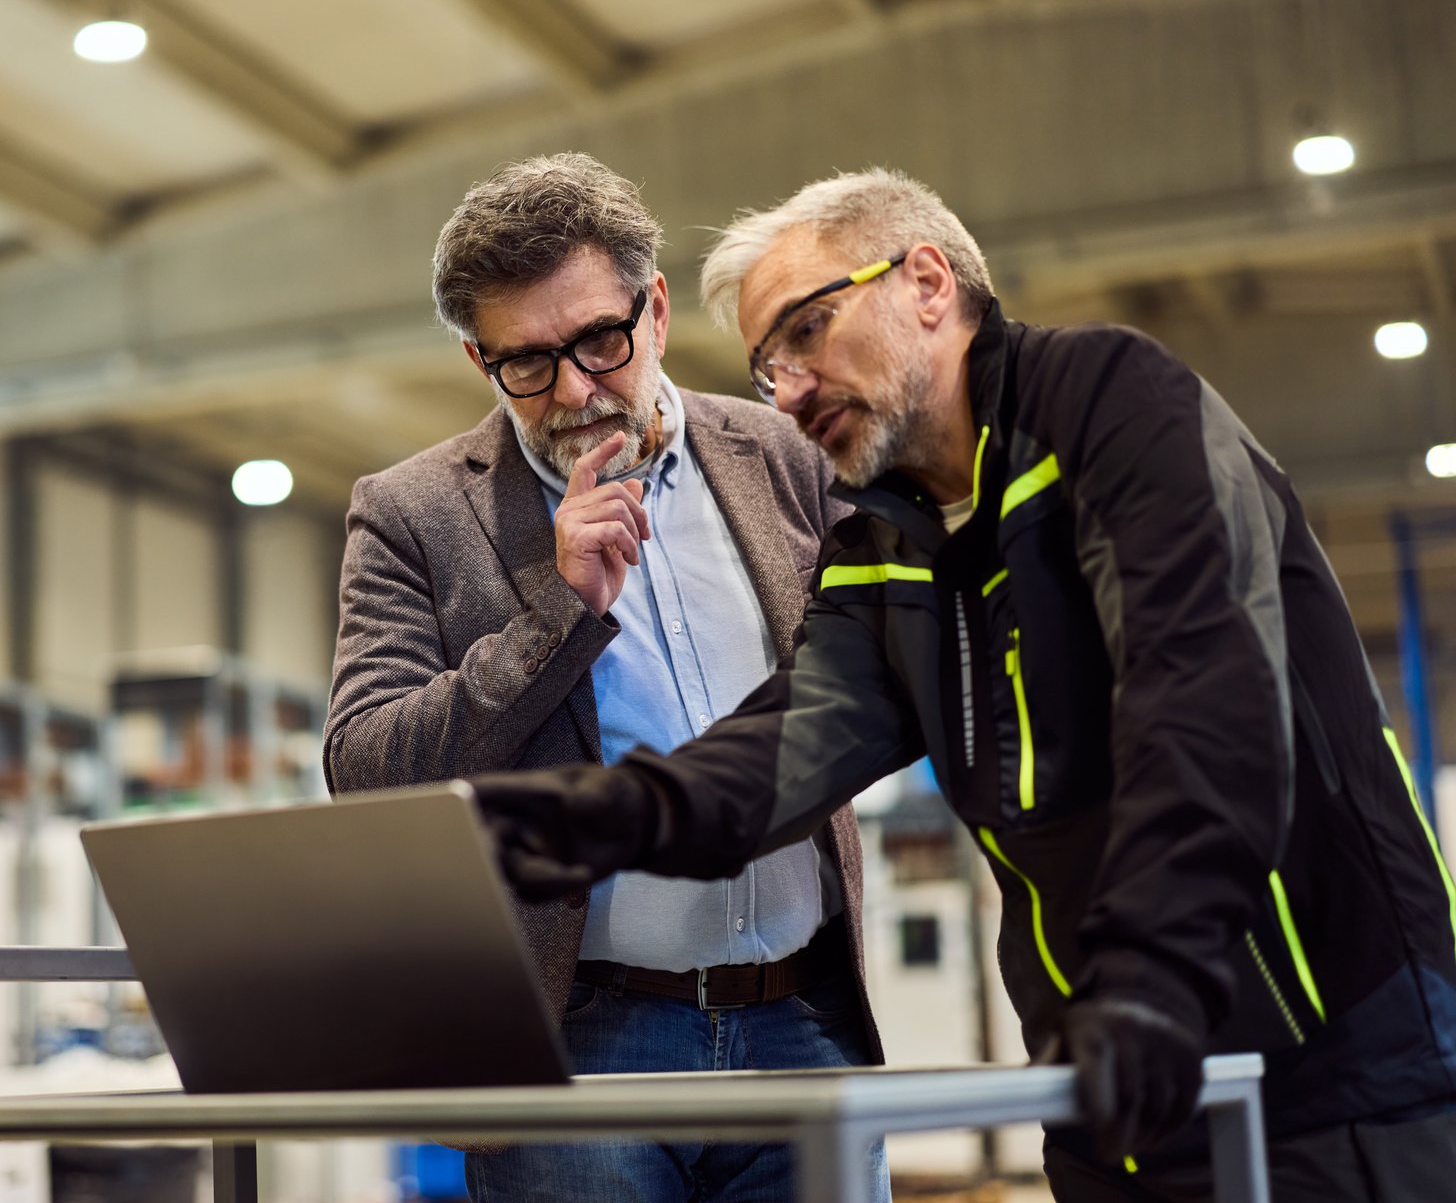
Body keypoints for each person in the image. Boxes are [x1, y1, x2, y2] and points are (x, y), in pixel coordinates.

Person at [470, 167, 1456, 1202]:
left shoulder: (1116, 409)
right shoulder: (884, 542)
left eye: (807, 329)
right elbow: (774, 756)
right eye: (769, 366)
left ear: (927, 282)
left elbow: (1204, 701)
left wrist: (1149, 975)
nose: (791, 387)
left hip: (1334, 1075)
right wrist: (566, 819)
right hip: (1113, 1096)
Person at [324, 152, 890, 1203]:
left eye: (599, 340)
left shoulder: (783, 455)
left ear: (657, 308)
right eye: (527, 362)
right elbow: (365, 768)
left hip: (804, 1022)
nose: (577, 388)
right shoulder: (413, 514)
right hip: (582, 1042)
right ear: (476, 356)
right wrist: (557, 608)